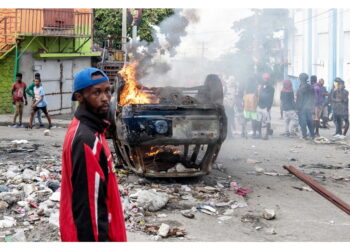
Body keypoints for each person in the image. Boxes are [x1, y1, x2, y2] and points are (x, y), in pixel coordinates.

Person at [59, 68, 127, 242]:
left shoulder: (91, 129)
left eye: (107, 91)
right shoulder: (87, 140)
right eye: (96, 92)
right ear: (80, 97)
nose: (105, 98)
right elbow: (89, 210)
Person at [296, 73, 315, 140]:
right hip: (309, 107)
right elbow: (313, 98)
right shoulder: (310, 87)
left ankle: (304, 136)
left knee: (303, 122)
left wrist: (297, 109)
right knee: (310, 122)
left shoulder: (301, 88)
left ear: (301, 79)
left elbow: (299, 99)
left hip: (302, 108)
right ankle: (312, 135)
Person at [256, 73, 275, 140]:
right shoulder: (260, 86)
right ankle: (259, 134)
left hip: (266, 107)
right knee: (259, 120)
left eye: (266, 78)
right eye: (264, 78)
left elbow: (271, 98)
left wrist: (268, 107)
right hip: (259, 105)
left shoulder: (271, 88)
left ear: (268, 79)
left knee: (268, 121)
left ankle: (266, 135)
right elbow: (258, 95)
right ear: (262, 78)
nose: (265, 80)